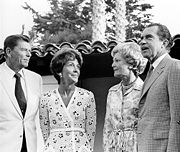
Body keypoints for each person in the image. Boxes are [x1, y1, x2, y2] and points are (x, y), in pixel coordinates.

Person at [39, 47, 96, 152]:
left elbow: (90, 132)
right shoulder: (46, 98)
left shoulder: (87, 96)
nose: (76, 70)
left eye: (78, 66)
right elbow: (45, 132)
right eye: (71, 65)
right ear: (59, 71)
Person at [137, 23, 180, 152]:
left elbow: (177, 118)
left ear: (164, 43)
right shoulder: (150, 72)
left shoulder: (174, 67)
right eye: (141, 38)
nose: (142, 42)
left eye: (149, 37)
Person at [0, 34, 43, 152]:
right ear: (8, 52)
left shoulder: (36, 79)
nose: (29, 54)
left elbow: (38, 118)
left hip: (30, 147)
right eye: (24, 50)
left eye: (30, 51)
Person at [103, 42, 147, 152]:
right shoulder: (112, 92)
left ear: (131, 63)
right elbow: (107, 127)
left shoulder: (145, 90)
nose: (112, 65)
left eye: (117, 61)